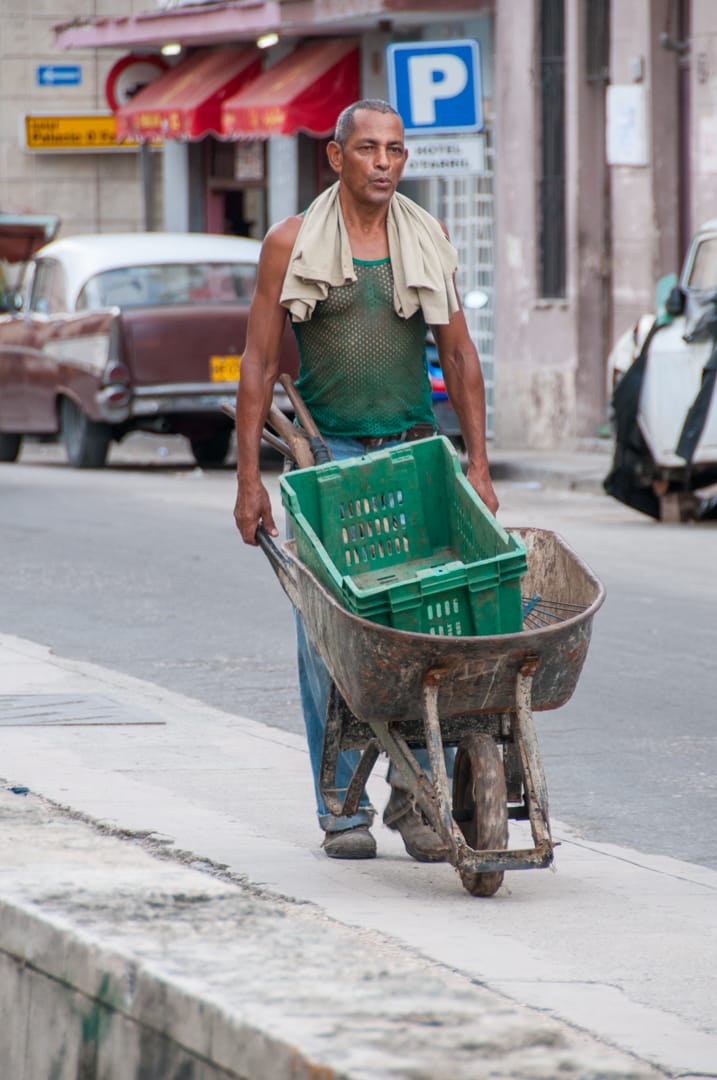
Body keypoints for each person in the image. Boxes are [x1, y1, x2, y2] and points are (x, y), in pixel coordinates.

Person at [234, 99, 498, 861]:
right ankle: (339, 803)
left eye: (395, 151)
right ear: (336, 156)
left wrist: (476, 465)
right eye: (368, 149)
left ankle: (417, 800)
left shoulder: (427, 238)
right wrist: (249, 481)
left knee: (427, 630)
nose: (383, 162)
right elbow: (258, 364)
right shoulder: (289, 243)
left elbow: (459, 355)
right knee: (329, 638)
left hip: (415, 451)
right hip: (330, 461)